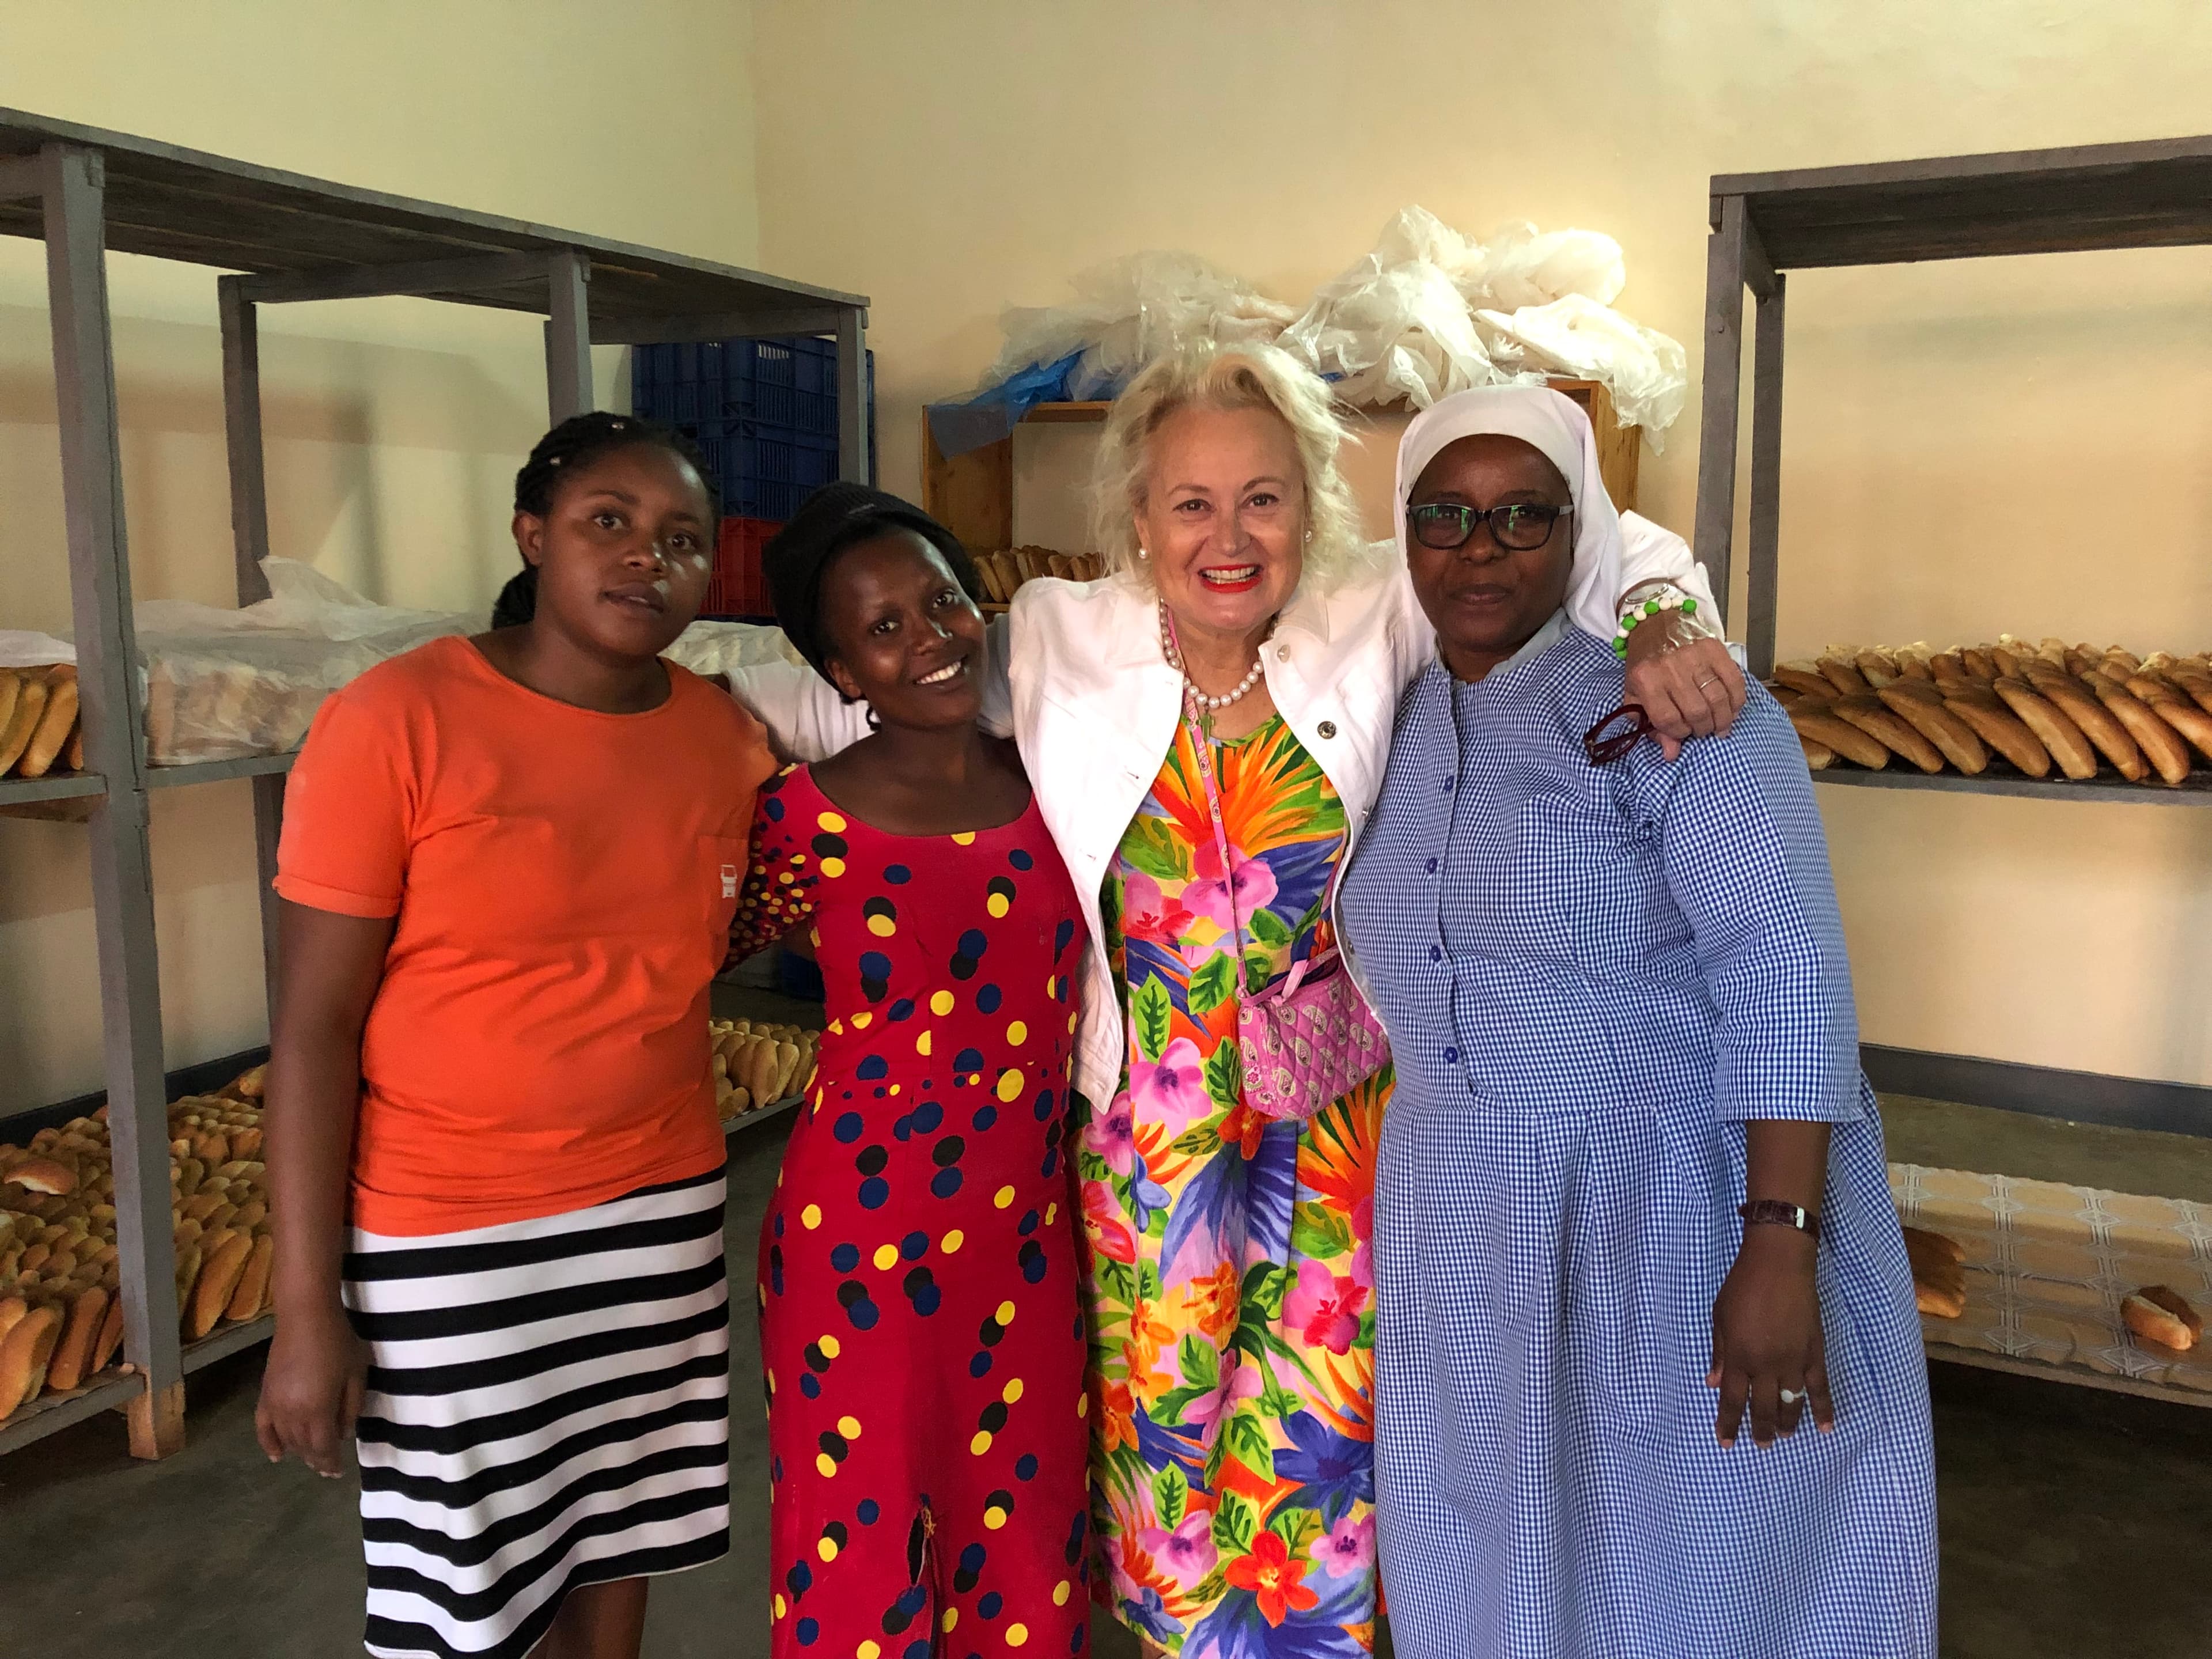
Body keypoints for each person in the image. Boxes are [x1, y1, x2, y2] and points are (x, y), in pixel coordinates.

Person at [728, 340, 1747, 1657]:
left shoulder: (1372, 614)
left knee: (1321, 1465)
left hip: (1334, 1141)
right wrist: (671, 718)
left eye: (1263, 498)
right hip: (1143, 1144)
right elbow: (835, 692)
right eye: (1192, 504)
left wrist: (1670, 622)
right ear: (1136, 522)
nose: (1229, 536)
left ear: (1309, 509)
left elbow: (1614, 542)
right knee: (1165, 1460)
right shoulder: (1053, 638)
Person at [1337, 387, 1937, 1658]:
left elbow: (1786, 971)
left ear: (1582, 531)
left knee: (1698, 1551)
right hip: (1457, 1216)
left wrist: (1779, 1246)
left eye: (1521, 518)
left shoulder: (1676, 713)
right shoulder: (1376, 718)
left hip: (1672, 1196)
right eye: (1444, 516)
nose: (1479, 548)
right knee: (1488, 1540)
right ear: (1403, 533)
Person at [255, 412, 777, 1659]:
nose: (649, 558)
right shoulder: (398, 720)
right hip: (451, 1233)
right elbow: (315, 1031)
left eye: (684, 541)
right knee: (464, 1594)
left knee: (621, 1537)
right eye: (612, 522)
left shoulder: (720, 736)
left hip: (657, 1218)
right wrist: (305, 1307)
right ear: (532, 535)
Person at [729, 484, 1094, 1659]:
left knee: (1025, 1528)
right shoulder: (797, 820)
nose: (928, 638)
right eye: (883, 628)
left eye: (942, 602)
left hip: (1027, 1232)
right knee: (864, 1530)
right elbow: (688, 945)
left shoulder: (1056, 784)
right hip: (857, 1246)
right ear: (839, 673)